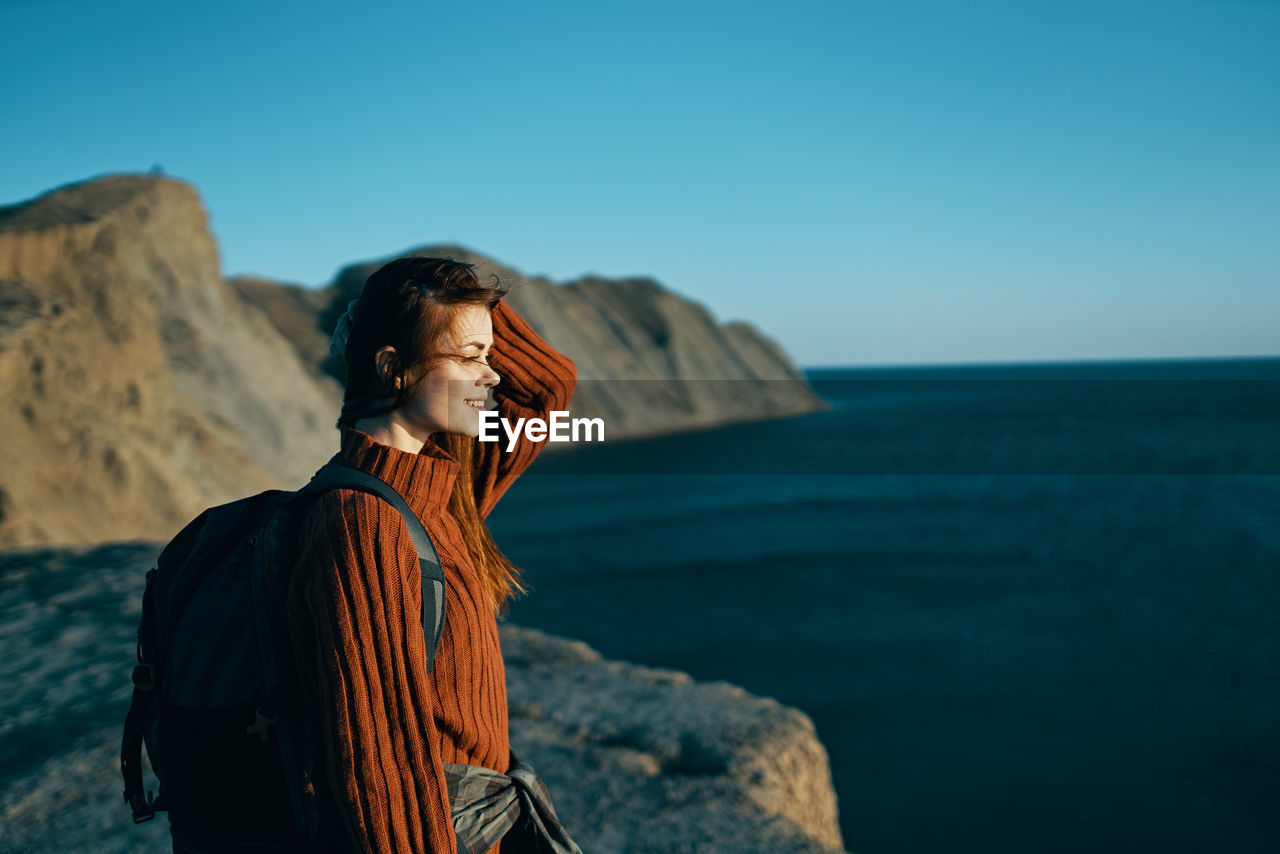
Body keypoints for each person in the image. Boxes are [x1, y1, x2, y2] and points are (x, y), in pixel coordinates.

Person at [283, 256, 580, 853]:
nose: (493, 376)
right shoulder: (365, 526)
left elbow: (545, 389)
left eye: (489, 357)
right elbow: (383, 774)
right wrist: (419, 305)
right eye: (471, 359)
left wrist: (461, 305)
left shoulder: (445, 493)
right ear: (393, 367)